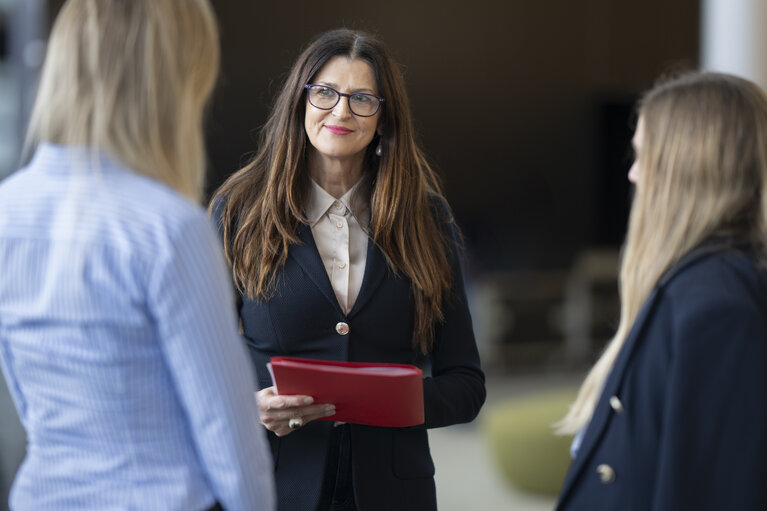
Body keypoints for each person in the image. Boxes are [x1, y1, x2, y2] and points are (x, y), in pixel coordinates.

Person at [0, 1, 276, 510]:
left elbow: (24, 395)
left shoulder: (7, 210)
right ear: (171, 82)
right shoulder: (168, 227)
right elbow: (227, 434)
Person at [210, 28, 486, 511]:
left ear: (384, 118)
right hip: (273, 485)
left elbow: (466, 384)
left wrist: (388, 400)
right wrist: (247, 407)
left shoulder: (426, 217)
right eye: (325, 93)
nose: (341, 111)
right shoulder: (239, 211)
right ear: (300, 102)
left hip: (394, 491)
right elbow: (201, 364)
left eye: (362, 99)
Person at [555, 71, 767, 510]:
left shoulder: (714, 304)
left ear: (684, 169)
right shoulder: (696, 285)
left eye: (642, 156)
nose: (632, 174)